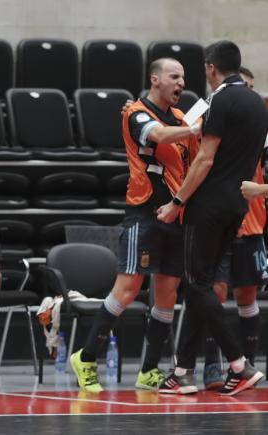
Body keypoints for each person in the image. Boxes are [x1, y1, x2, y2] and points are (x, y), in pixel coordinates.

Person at [69, 58, 202, 393]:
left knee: (167, 295)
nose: (181, 83)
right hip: (143, 214)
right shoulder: (137, 113)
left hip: (176, 215)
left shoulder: (182, 117)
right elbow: (157, 135)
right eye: (175, 76)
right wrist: (193, 128)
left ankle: (149, 370)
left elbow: (199, 152)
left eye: (184, 78)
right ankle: (85, 358)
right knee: (127, 291)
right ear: (155, 79)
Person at [156, 40, 268, 396]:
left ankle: (238, 364)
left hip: (209, 204)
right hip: (238, 204)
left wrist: (176, 201)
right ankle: (182, 371)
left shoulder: (220, 98)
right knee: (200, 284)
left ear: (209, 67)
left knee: (197, 284)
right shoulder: (256, 101)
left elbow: (204, 158)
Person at [202, 65, 266, 390]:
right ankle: (213, 365)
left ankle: (244, 367)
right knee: (215, 293)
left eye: (251, 89)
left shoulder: (260, 126)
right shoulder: (213, 117)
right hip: (219, 219)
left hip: (250, 222)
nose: (247, 95)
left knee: (246, 293)